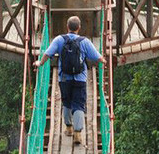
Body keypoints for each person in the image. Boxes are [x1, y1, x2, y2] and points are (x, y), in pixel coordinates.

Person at [34, 15, 105, 146]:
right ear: (79, 28)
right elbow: (98, 57)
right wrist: (105, 61)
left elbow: (47, 54)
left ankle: (68, 128)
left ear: (67, 27)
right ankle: (78, 134)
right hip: (80, 79)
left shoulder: (59, 39)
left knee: (66, 102)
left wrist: (40, 63)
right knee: (78, 104)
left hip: (64, 78)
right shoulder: (85, 41)